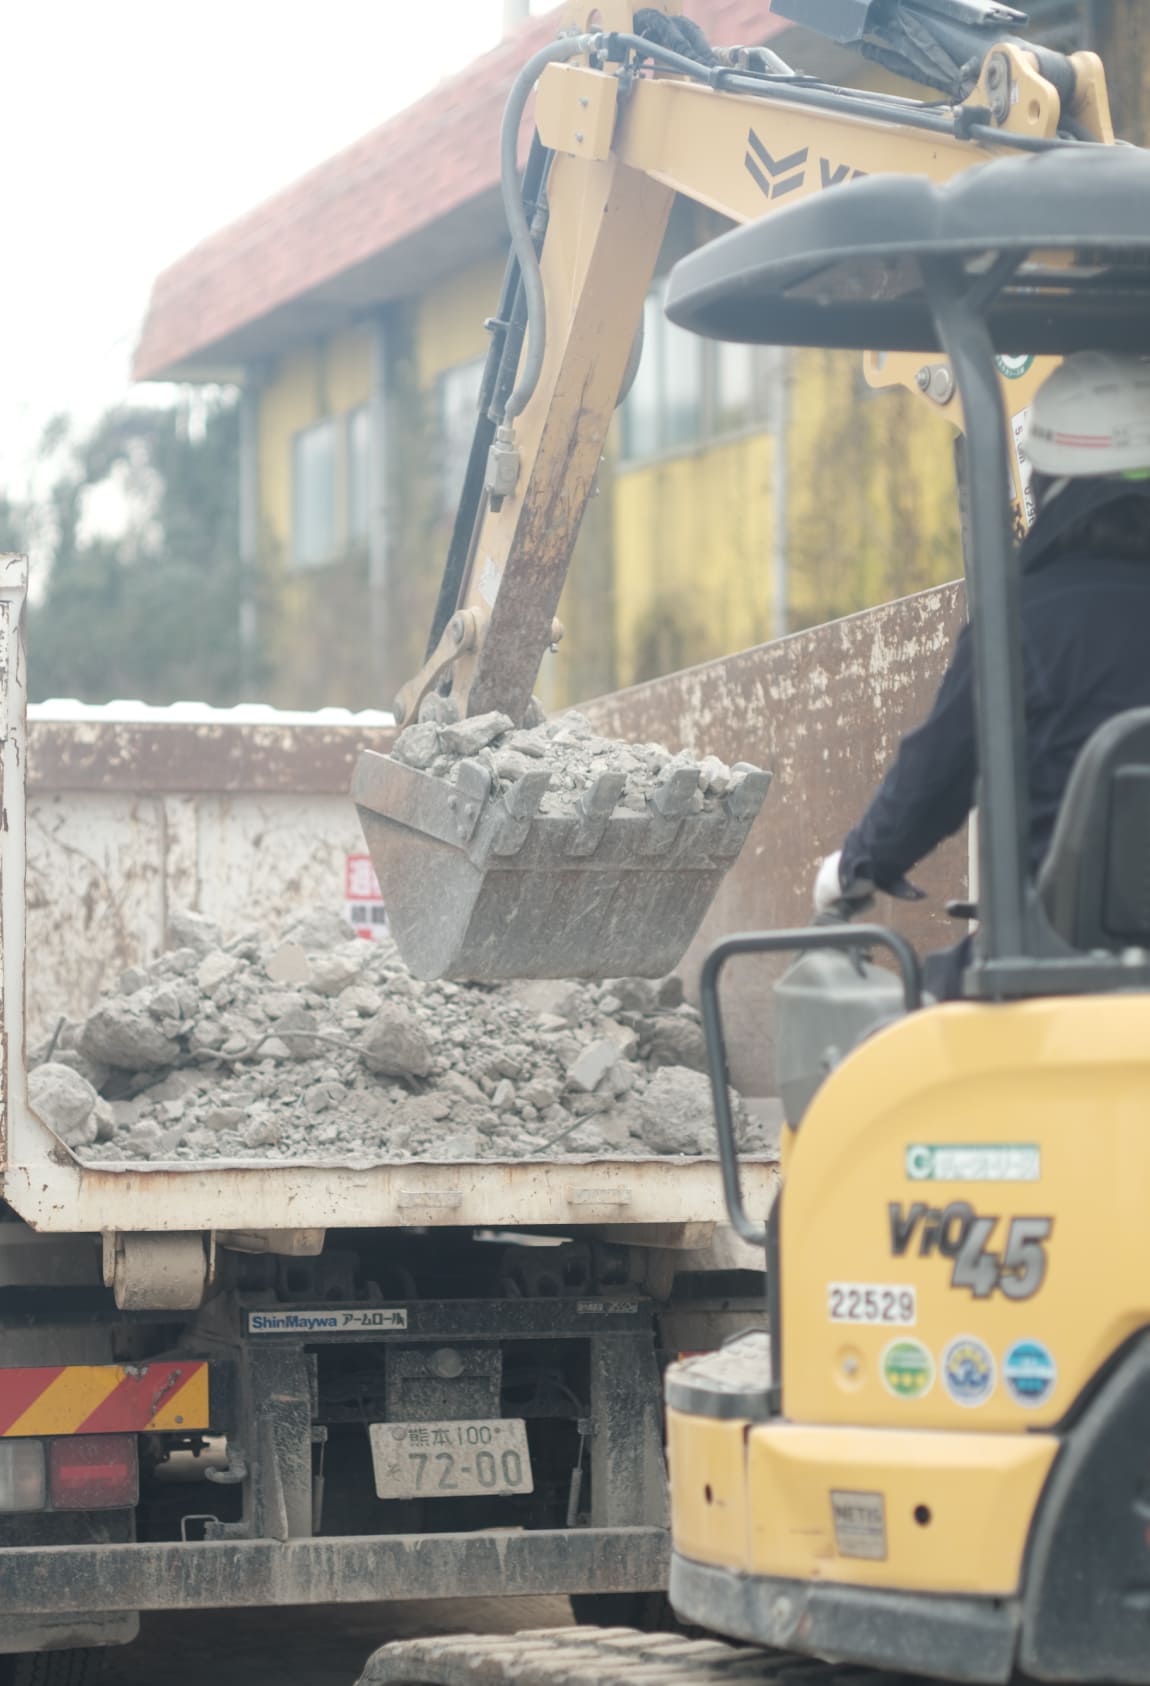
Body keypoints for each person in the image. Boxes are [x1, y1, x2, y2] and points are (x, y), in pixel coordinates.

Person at [813, 351, 1150, 998]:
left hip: (1055, 976)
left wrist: (854, 867)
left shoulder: (1024, 624)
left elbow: (933, 780)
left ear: (1050, 477)